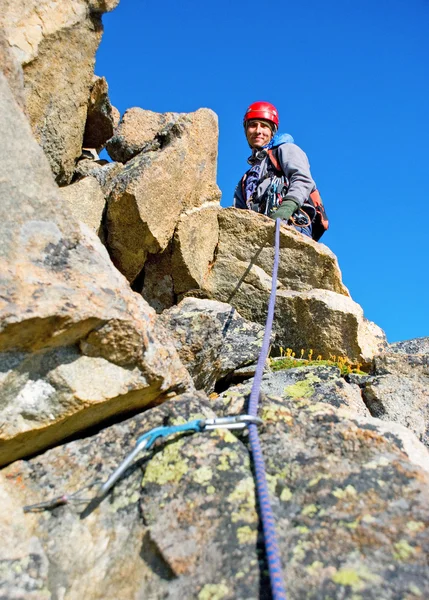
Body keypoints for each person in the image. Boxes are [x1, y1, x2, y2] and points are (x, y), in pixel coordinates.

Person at [233, 101, 318, 238]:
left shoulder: (285, 150)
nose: (258, 131)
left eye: (264, 126)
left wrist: (287, 208)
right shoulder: (245, 181)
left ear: (272, 132)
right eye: (253, 125)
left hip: (292, 223)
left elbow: (303, 180)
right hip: (260, 234)